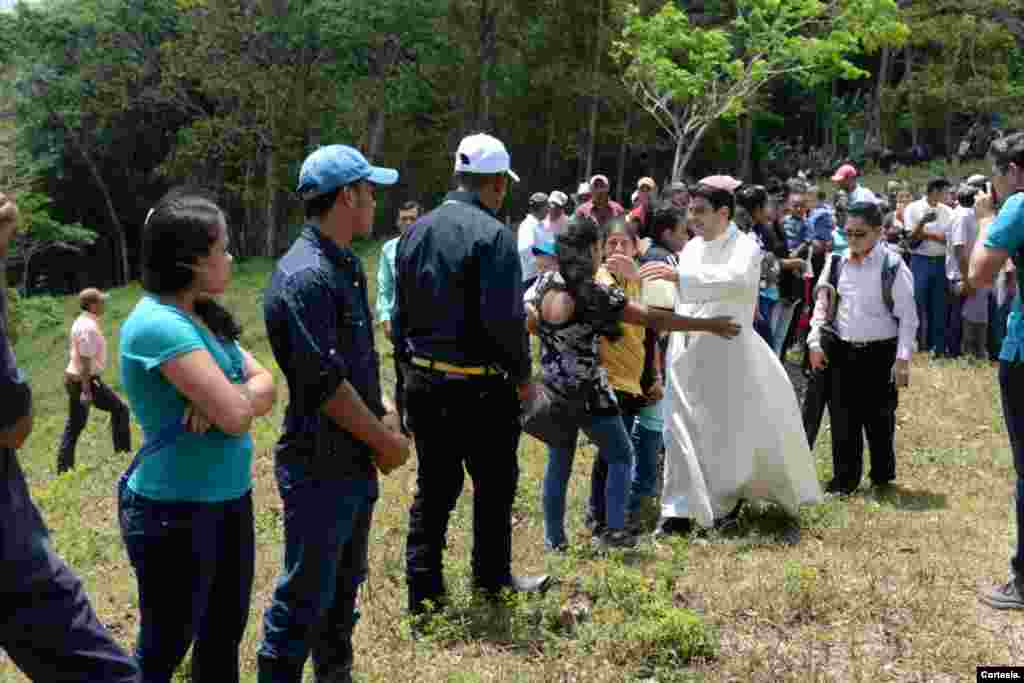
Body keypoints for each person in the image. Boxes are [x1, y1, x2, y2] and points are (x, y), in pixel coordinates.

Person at [258, 146, 410, 682]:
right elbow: (324, 386)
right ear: (348, 195)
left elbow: (353, 365)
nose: (375, 201)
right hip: (320, 465)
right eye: (370, 191)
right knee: (303, 601)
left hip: (350, 460)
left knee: (340, 599)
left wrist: (385, 408)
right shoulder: (304, 278)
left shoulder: (342, 264)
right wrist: (386, 443)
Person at [118, 189, 277, 683]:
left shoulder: (201, 313)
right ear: (191, 262)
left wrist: (228, 398)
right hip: (176, 513)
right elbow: (235, 414)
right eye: (223, 249)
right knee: (165, 645)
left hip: (227, 500)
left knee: (222, 635)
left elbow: (267, 386)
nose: (231, 258)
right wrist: (230, 401)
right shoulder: (158, 326)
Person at [394, 133, 550, 619]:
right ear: (498, 183)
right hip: (480, 386)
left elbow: (400, 317)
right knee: (495, 485)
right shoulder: (493, 235)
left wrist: (404, 380)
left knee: (434, 489)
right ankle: (491, 581)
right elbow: (503, 321)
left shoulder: (414, 233)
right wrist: (525, 379)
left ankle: (424, 599)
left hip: (424, 380)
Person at [528, 215, 740, 550]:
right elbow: (651, 317)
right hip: (590, 394)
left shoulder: (543, 284)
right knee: (622, 456)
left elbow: (528, 320)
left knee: (559, 463)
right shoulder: (593, 293)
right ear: (592, 250)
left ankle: (555, 541)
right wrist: (709, 324)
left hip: (554, 390)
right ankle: (614, 531)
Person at [0, 193, 140, 683]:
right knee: (94, 419)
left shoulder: (88, 322)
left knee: (80, 427)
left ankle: (76, 460)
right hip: (12, 546)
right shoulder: (84, 326)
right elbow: (13, 419)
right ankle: (85, 459)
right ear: (93, 303)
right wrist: (84, 389)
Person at [641, 177, 823, 535]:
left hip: (727, 355)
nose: (692, 218)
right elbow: (683, 292)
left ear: (723, 213)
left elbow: (734, 279)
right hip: (686, 352)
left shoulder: (746, 248)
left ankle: (723, 506)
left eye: (700, 211)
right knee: (678, 434)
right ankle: (677, 512)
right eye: (690, 211)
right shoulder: (692, 248)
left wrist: (681, 278)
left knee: (723, 433)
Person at [807, 201, 918, 496]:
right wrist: (815, 341)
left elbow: (908, 316)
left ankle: (882, 474)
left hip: (880, 353)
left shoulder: (892, 265)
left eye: (860, 234)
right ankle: (844, 480)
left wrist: (902, 359)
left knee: (880, 418)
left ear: (879, 232)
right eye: (848, 233)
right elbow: (822, 305)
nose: (853, 240)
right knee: (843, 417)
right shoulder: (836, 262)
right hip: (842, 351)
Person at [969, 131, 1024, 609]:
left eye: (996, 176)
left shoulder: (1017, 205)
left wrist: (988, 218)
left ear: (1012, 172)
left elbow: (978, 275)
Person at [584, 217, 664, 540]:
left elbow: (653, 332)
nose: (617, 249)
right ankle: (602, 519)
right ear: (603, 250)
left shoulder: (640, 282)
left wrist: (655, 375)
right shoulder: (600, 280)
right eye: (612, 243)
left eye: (624, 243)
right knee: (613, 452)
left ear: (635, 248)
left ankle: (604, 516)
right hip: (606, 380)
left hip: (633, 381)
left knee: (614, 453)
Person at [56, 287, 131, 473]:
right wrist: (87, 390)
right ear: (92, 305)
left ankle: (64, 468)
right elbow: (85, 358)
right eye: (100, 301)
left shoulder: (82, 321)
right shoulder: (88, 327)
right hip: (86, 379)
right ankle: (123, 453)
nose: (103, 304)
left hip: (74, 378)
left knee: (75, 424)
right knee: (120, 409)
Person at [905, 178, 955, 356]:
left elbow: (948, 239)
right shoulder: (913, 209)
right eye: (945, 192)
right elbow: (910, 239)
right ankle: (917, 345)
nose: (948, 196)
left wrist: (926, 234)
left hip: (941, 261)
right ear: (934, 191)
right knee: (917, 303)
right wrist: (923, 222)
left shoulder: (949, 212)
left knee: (939, 305)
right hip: (920, 260)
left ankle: (938, 347)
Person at [950, 186, 989, 360]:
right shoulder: (964, 216)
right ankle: (967, 356)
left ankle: (975, 355)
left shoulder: (972, 215)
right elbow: (959, 249)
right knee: (967, 320)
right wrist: (966, 280)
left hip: (973, 274)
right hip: (964, 275)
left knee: (976, 317)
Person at [377, 201, 422, 338]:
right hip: (399, 320)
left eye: (412, 219)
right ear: (397, 222)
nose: (408, 223)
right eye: (404, 219)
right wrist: (385, 318)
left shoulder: (431, 246)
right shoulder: (388, 249)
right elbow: (385, 288)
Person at [518, 192, 549, 288]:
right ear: (541, 208)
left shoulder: (541, 225)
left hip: (542, 276)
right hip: (532, 278)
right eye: (547, 207)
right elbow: (524, 250)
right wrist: (542, 265)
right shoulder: (528, 225)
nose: (548, 210)